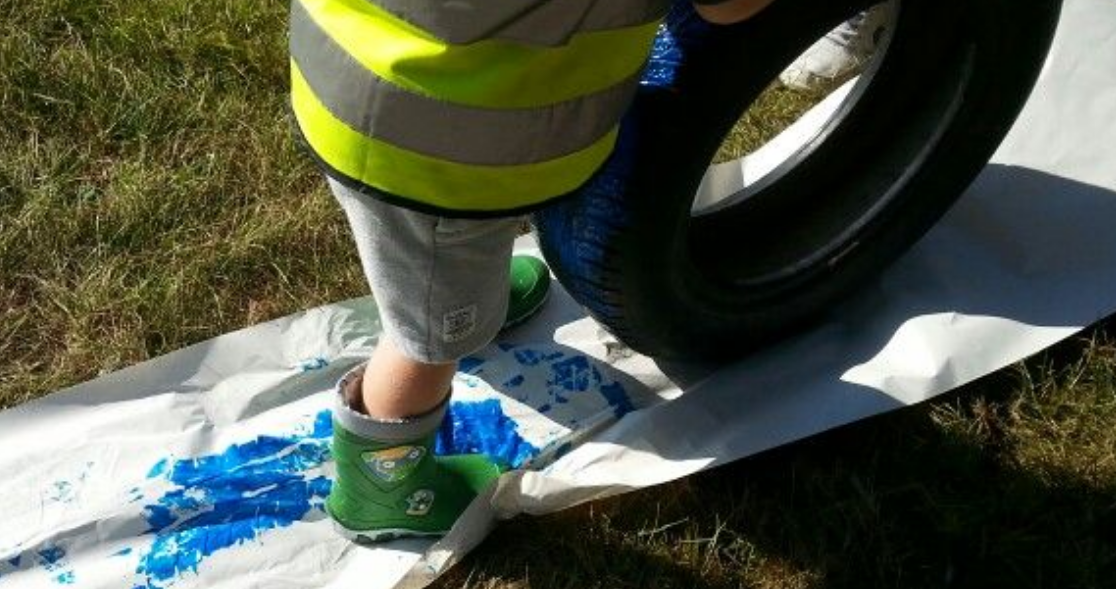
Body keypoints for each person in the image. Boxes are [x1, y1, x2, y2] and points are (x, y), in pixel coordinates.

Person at [290, 0, 776, 542]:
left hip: (361, 68)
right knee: (426, 335)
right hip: (439, 154)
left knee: (432, 251)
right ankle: (381, 489)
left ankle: (472, 295)